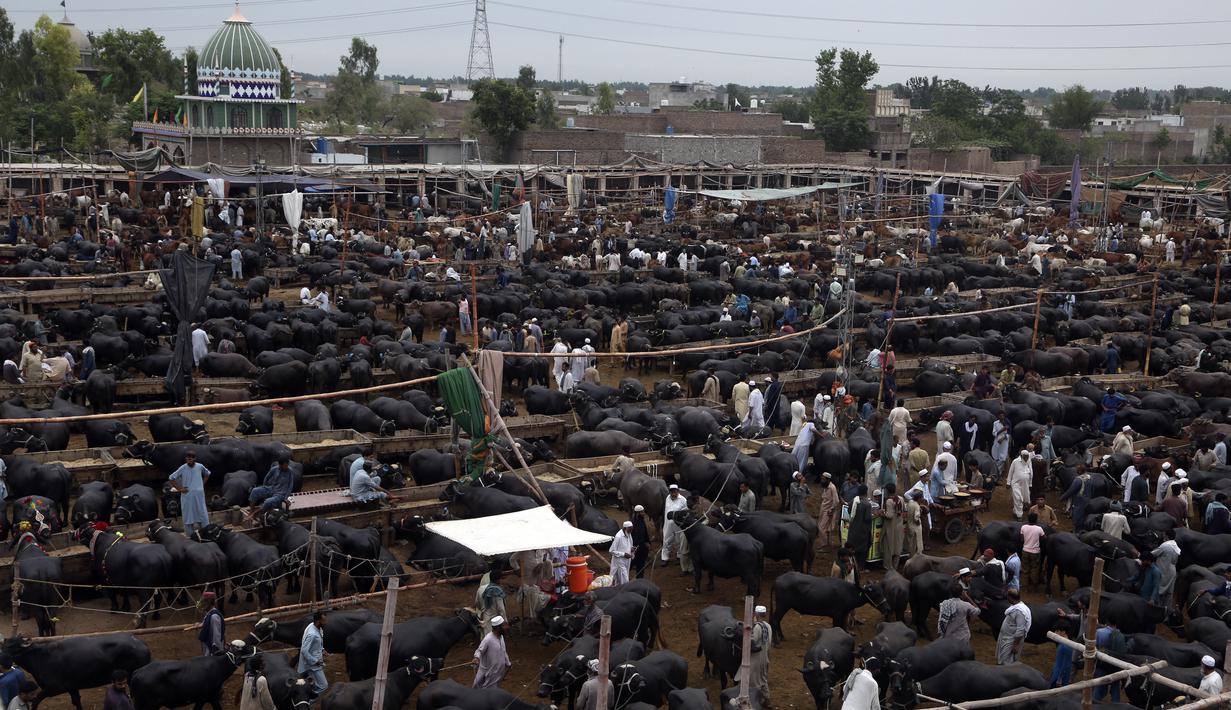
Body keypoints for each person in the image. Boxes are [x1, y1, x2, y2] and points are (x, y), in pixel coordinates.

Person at [170, 452, 211, 535]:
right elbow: (171, 478)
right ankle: (190, 536)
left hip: (199, 497)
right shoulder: (183, 468)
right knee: (188, 516)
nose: (190, 459)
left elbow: (207, 474)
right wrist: (180, 489)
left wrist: (202, 484)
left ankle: (205, 534)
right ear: (186, 459)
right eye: (188, 457)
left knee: (202, 514)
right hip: (187, 497)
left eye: (192, 457)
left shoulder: (200, 466)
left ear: (195, 458)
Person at [244, 456, 295, 523]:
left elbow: (290, 486)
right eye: (285, 465)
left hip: (280, 493)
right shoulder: (274, 469)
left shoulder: (290, 472)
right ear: (280, 465)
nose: (286, 467)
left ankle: (256, 514)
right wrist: (265, 486)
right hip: (271, 488)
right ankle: (251, 510)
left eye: (287, 465)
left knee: (268, 502)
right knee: (255, 491)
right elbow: (267, 477)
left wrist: (286, 497)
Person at [1092, 620, 1127, 702]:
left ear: (1107, 623)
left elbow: (1094, 647)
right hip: (1115, 667)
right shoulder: (1120, 636)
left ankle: (1094, 704)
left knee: (1098, 688)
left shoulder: (1099, 632)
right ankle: (1116, 705)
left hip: (1102, 665)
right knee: (1115, 690)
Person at [473, 615, 511, 688]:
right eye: (503, 626)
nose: (506, 628)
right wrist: (476, 658)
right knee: (485, 693)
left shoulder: (501, 637)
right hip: (489, 673)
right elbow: (479, 651)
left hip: (498, 673)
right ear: (497, 628)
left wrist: (507, 662)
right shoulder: (488, 639)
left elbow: (503, 651)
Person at [996, 589, 1031, 665]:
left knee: (1007, 662)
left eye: (1007, 596)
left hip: (1011, 641)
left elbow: (1020, 630)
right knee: (1004, 661)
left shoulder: (1020, 611)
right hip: (1006, 638)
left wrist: (1015, 645)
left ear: (1010, 597)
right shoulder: (1015, 606)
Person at [661, 485, 690, 571]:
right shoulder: (667, 498)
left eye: (675, 491)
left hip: (678, 525)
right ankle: (664, 558)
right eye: (671, 492)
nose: (673, 493)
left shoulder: (683, 500)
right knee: (666, 540)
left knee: (679, 541)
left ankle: (679, 556)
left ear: (678, 491)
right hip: (667, 525)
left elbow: (686, 511)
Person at [298, 611, 327, 696]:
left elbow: (316, 643)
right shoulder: (312, 634)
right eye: (324, 620)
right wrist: (315, 661)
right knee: (323, 686)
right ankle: (309, 701)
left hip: (313, 662)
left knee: (311, 682)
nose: (326, 622)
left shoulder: (313, 626)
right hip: (313, 665)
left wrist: (322, 650)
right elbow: (304, 651)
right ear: (318, 621)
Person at [750, 605, 772, 703]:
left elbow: (753, 641)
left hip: (757, 658)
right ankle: (767, 699)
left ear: (756, 614)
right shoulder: (768, 626)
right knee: (763, 678)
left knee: (755, 680)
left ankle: (758, 700)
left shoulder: (757, 627)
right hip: (765, 656)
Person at [880, 484, 904, 572]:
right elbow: (903, 510)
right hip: (899, 525)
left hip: (890, 527)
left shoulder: (889, 501)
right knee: (898, 546)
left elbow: (889, 515)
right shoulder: (900, 499)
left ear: (887, 491)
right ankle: (895, 566)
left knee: (889, 547)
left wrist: (882, 513)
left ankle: (888, 567)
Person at [848, 485, 873, 569]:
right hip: (863, 531)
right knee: (863, 550)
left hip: (853, 529)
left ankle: (853, 565)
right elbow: (867, 518)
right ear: (866, 492)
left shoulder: (853, 501)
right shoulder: (867, 504)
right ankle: (861, 567)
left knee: (853, 549)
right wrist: (875, 515)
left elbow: (849, 512)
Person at [1020, 513, 1046, 591]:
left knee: (1025, 569)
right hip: (1035, 552)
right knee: (1034, 569)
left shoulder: (1023, 527)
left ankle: (1025, 587)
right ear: (1036, 520)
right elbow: (1044, 538)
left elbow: (1021, 539)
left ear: (1028, 519)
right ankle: (1035, 587)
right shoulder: (1039, 529)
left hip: (1025, 550)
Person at [1006, 450, 1033, 520]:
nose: (1026, 458)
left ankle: (1015, 511)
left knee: (1024, 499)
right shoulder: (1015, 461)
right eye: (1025, 457)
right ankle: (1019, 516)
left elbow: (1031, 471)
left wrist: (1030, 483)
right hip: (1016, 483)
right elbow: (1010, 472)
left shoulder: (1029, 461)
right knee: (1018, 498)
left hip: (1025, 485)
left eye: (1027, 457)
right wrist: (1008, 482)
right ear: (1021, 456)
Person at [818, 472, 841, 549]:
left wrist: (831, 510)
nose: (822, 480)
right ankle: (828, 544)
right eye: (822, 479)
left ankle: (824, 545)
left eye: (824, 479)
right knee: (826, 528)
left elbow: (836, 501)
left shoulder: (832, 488)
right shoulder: (826, 487)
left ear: (828, 480)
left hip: (828, 511)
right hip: (823, 509)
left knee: (822, 528)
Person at [609, 521, 633, 585]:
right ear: (625, 528)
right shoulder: (618, 537)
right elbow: (611, 550)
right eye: (630, 529)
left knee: (620, 580)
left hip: (627, 561)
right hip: (619, 562)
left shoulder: (629, 534)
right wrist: (623, 554)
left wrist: (632, 549)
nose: (631, 530)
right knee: (625, 580)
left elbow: (630, 545)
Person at [630, 505, 650, 578]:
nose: (644, 513)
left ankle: (640, 579)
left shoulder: (641, 520)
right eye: (642, 512)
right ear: (637, 513)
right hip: (636, 548)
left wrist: (647, 542)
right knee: (631, 564)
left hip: (641, 548)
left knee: (641, 565)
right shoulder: (633, 523)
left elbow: (645, 533)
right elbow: (635, 536)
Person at [905, 489, 924, 556]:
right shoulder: (916, 506)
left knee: (911, 544)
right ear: (918, 498)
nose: (922, 499)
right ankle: (916, 559)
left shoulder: (910, 502)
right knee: (917, 545)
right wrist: (918, 523)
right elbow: (916, 518)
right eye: (921, 497)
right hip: (915, 528)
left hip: (909, 526)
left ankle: (911, 557)